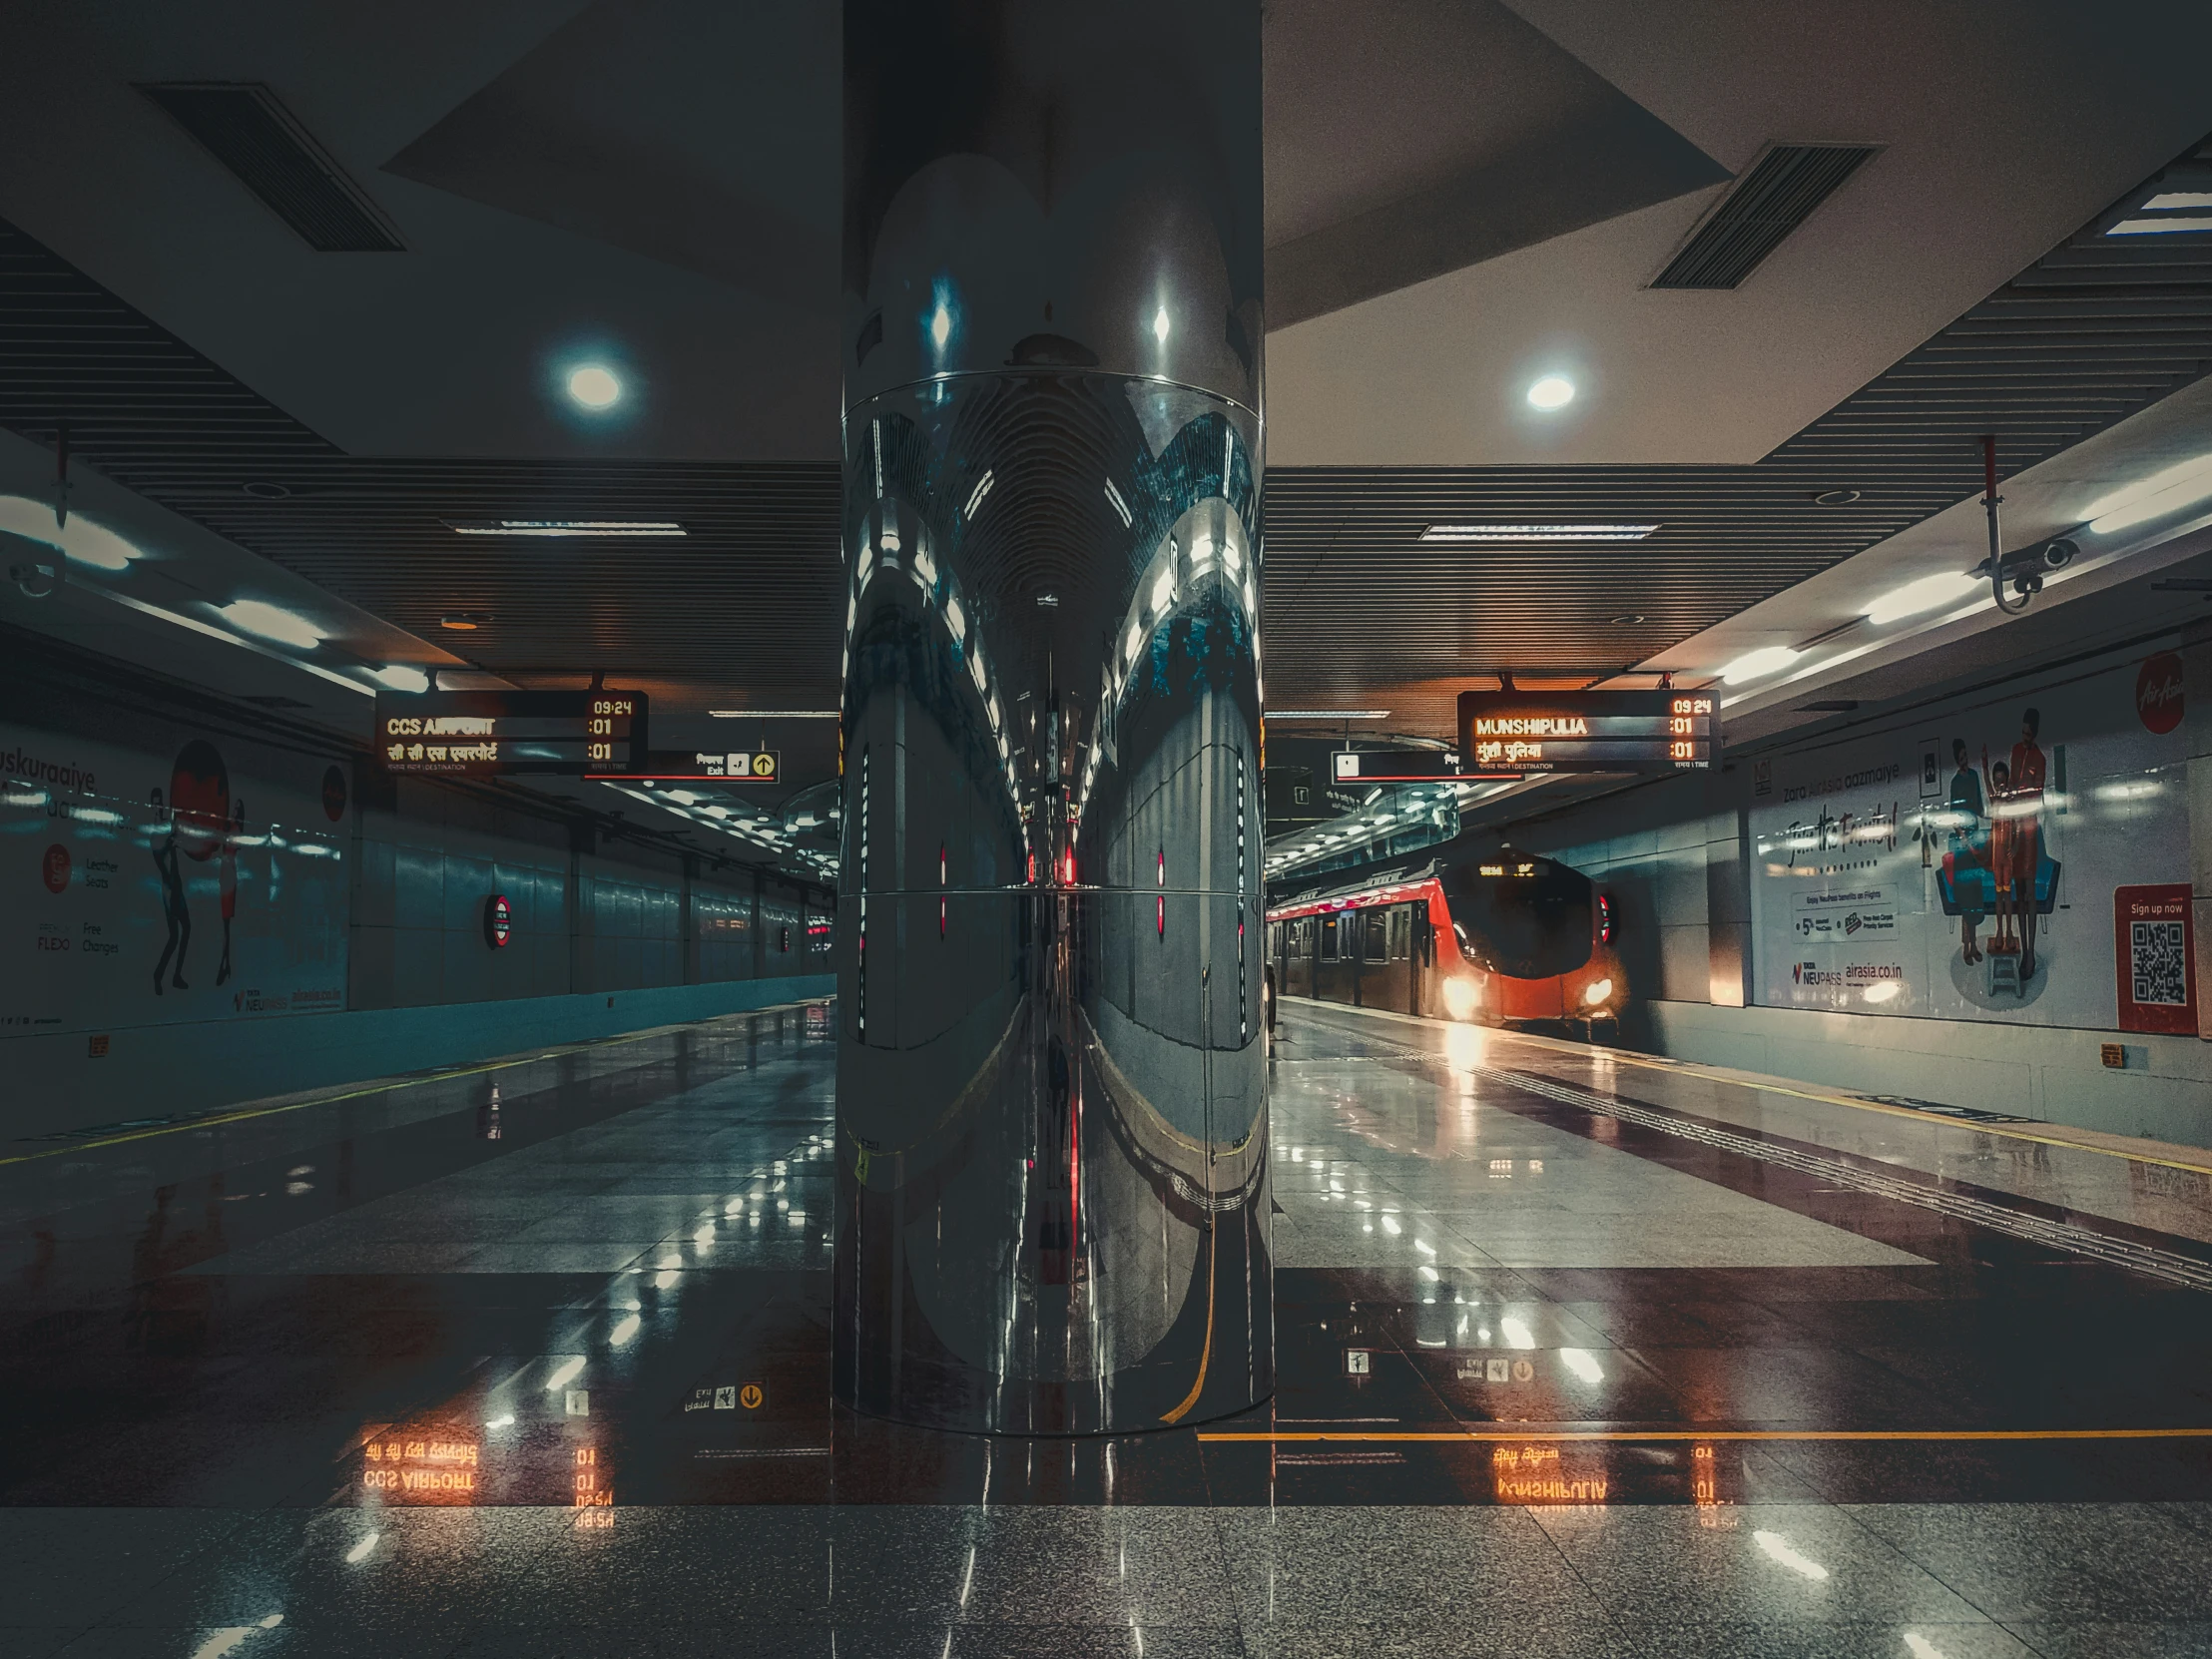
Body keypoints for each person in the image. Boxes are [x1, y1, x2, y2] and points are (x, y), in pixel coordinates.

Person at [2006, 708, 2046, 981]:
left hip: (2028, 829)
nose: (2025, 738)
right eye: (2023, 732)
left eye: (2029, 734)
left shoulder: (2040, 759)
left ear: (2036, 733)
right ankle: (2024, 951)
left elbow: (2036, 795)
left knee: (2029, 891)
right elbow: (2010, 786)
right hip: (2013, 827)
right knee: (2019, 893)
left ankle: (2031, 951)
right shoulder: (2015, 751)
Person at [1945, 739, 1985, 964]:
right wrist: (1964, 838)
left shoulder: (1974, 776)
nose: (1963, 762)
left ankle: (1975, 944)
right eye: (1960, 759)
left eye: (1965, 757)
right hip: (1962, 845)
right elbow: (1954, 818)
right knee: (1965, 896)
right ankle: (1966, 946)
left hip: (1975, 839)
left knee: (1974, 895)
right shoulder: (1954, 783)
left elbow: (1979, 807)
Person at [150, 786, 190, 994]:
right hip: (170, 889)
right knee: (175, 935)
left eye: (160, 802)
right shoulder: (154, 833)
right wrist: (170, 842)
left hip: (176, 885)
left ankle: (173, 975)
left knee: (185, 931)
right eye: (155, 802)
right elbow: (160, 858)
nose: (159, 806)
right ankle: (163, 974)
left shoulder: (166, 827)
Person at [1980, 751, 2017, 961]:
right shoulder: (1994, 801)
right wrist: (1985, 766)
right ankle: (2000, 931)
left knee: (2007, 895)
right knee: (1998, 895)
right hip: (1997, 855)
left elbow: (2018, 827)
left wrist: (2017, 845)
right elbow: (1985, 782)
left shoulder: (2012, 803)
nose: (1999, 785)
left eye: (2003, 781)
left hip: (2008, 855)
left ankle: (2010, 931)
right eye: (1997, 782)